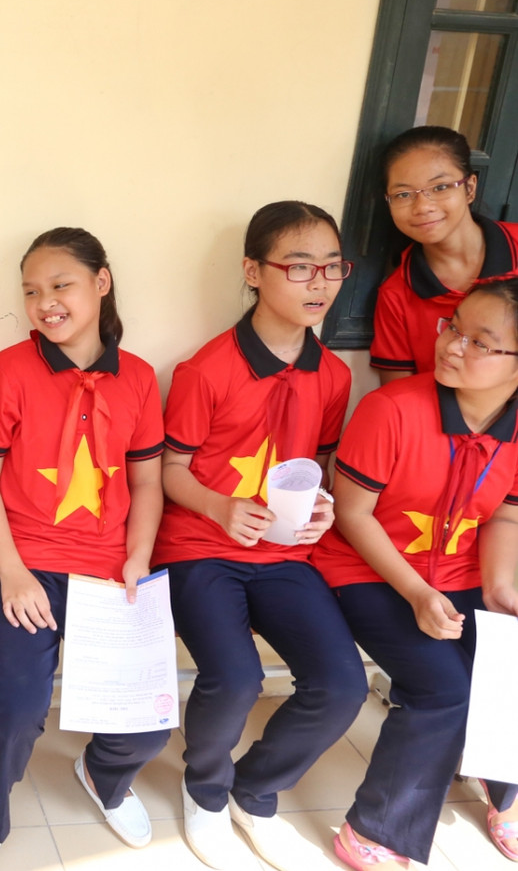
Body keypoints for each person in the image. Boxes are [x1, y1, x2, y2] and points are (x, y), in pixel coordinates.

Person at [153, 202, 369, 870]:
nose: (319, 283)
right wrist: (220, 507)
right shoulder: (206, 369)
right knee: (236, 678)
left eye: (331, 267)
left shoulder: (334, 375)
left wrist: (324, 507)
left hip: (285, 554)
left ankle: (256, 788)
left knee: (341, 684)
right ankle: (205, 789)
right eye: (299, 266)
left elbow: (318, 467)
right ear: (253, 271)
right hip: (200, 548)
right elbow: (169, 470)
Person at [0, 228, 167, 870]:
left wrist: (138, 558)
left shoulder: (139, 378)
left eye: (61, 285)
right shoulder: (7, 371)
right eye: (32, 291)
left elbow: (147, 483)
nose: (45, 303)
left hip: (110, 571)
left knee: (148, 719)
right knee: (17, 702)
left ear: (101, 283)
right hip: (23, 562)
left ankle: (104, 774)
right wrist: (13, 572)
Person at [316, 277, 518, 868]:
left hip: (460, 570)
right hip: (369, 569)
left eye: (480, 341)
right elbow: (353, 514)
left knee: (509, 662)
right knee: (444, 689)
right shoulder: (392, 409)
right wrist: (417, 592)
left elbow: (505, 516)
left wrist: (500, 589)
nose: (453, 345)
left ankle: (505, 791)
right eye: (453, 327)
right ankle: (375, 828)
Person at [371, 125, 518, 383]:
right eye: (403, 194)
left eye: (440, 187)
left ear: (469, 188)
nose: (423, 206)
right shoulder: (396, 295)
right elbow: (399, 393)